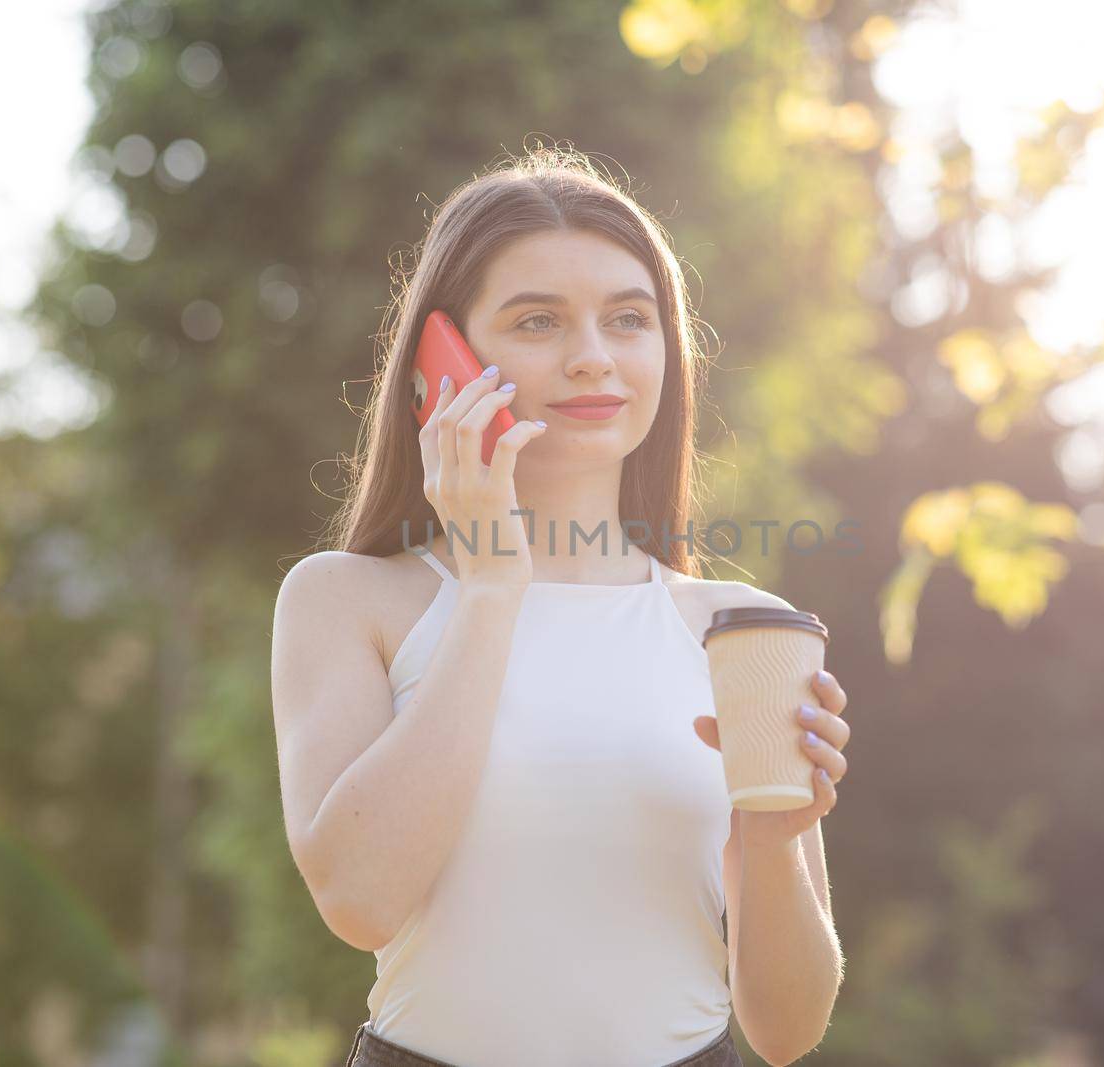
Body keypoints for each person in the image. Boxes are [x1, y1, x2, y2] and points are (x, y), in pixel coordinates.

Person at [270, 146, 852, 1067]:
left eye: (629, 319)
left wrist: (776, 841)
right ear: (445, 358)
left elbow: (786, 1031)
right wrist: (494, 585)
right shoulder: (345, 599)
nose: (593, 359)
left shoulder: (743, 627)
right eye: (538, 321)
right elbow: (360, 899)